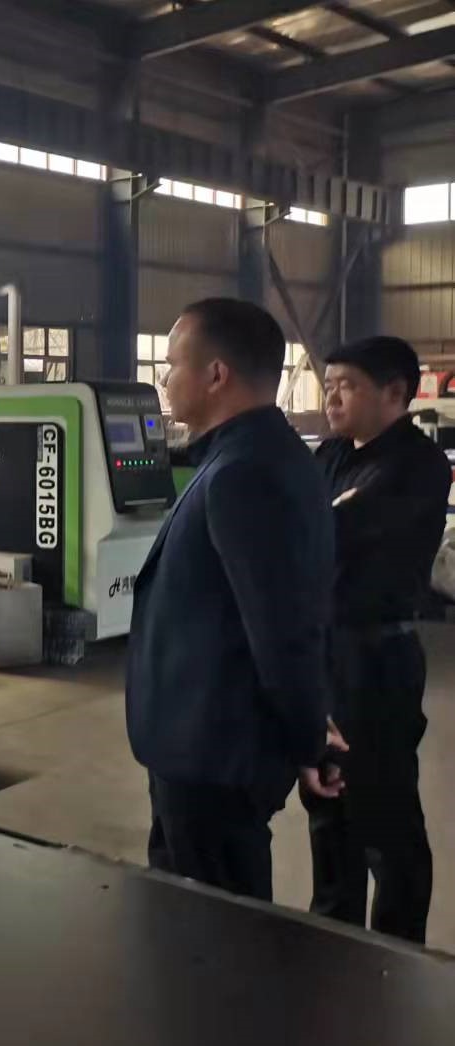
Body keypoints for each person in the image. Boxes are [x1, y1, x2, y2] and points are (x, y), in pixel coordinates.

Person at [126, 297, 339, 901]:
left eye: (172, 365)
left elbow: (283, 628)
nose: (164, 380)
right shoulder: (246, 455)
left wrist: (307, 739)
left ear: (216, 374)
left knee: (217, 930)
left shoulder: (246, 471)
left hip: (215, 755)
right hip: (202, 748)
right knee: (187, 918)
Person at [306, 336, 450, 943]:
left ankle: (397, 949)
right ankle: (332, 934)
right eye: (329, 385)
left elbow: (329, 529)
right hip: (325, 653)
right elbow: (310, 523)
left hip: (378, 659)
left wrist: (313, 523)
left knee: (384, 811)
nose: (332, 398)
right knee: (326, 799)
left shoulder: (419, 465)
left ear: (396, 393)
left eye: (348, 386)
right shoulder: (332, 454)